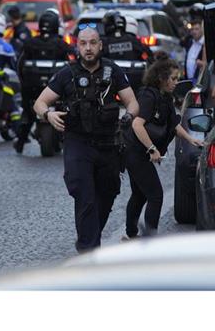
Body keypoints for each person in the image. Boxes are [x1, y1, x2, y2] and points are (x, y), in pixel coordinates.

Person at [32, 24, 139, 253]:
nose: (88, 48)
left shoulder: (114, 71)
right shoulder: (66, 74)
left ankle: (90, 237)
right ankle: (88, 250)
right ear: (77, 46)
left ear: (100, 45)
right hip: (78, 143)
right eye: (83, 43)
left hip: (109, 143)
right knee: (84, 195)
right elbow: (39, 103)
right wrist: (48, 115)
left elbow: (133, 103)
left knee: (107, 194)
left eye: (92, 43)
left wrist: (128, 116)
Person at [123, 58, 204, 240]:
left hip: (141, 151)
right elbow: (137, 124)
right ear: (161, 78)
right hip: (134, 151)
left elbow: (173, 124)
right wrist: (152, 149)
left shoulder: (165, 97)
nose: (176, 82)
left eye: (177, 78)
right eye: (173, 78)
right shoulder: (148, 96)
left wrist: (191, 139)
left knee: (139, 194)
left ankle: (131, 234)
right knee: (155, 195)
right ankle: (148, 239)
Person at [14, 10, 73, 154]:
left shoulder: (30, 43)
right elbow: (74, 62)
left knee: (27, 114)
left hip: (31, 89)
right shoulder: (61, 44)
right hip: (56, 91)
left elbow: (19, 65)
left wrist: (23, 83)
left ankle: (20, 143)